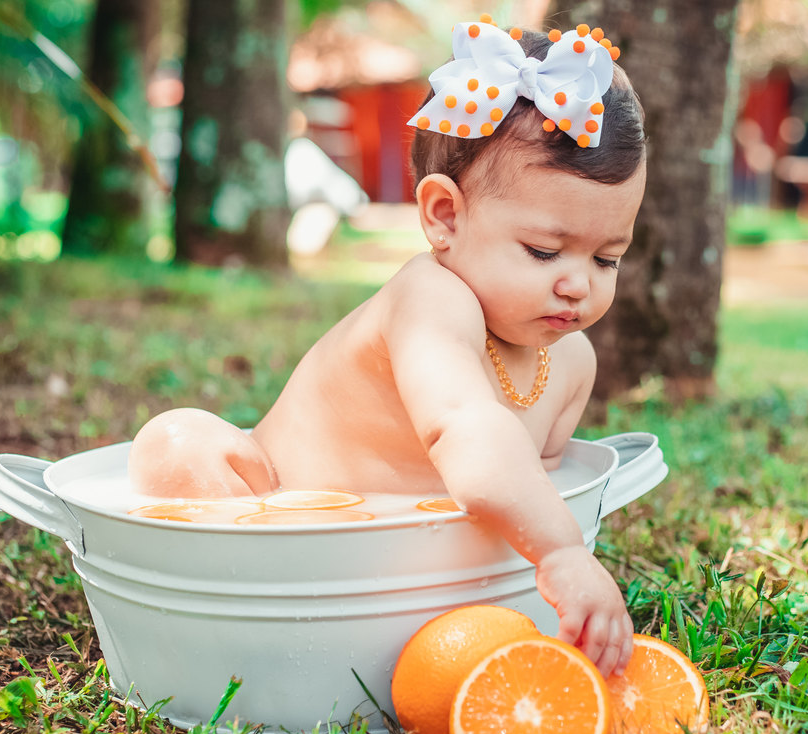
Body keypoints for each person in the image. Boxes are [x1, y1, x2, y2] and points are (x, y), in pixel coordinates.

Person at [129, 18, 647, 676]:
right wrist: (563, 553)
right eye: (544, 251)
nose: (578, 283)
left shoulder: (572, 363)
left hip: (399, 569)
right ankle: (208, 614)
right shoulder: (430, 298)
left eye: (608, 258)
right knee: (176, 442)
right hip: (277, 507)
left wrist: (535, 554)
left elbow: (529, 486)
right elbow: (467, 429)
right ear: (444, 217)